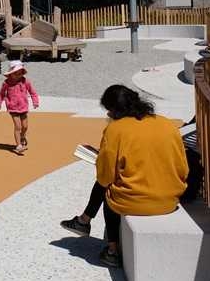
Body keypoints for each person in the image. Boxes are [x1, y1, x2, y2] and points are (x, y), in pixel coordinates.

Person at [60, 85, 189, 268]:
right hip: (170, 199)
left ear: (113, 110)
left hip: (135, 202)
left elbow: (105, 177)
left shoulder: (115, 130)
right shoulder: (166, 124)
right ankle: (83, 222)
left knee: (109, 190)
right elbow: (183, 167)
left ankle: (112, 250)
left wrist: (100, 159)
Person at [0, 60, 39, 153]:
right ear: (11, 74)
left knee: (25, 126)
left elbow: (33, 92)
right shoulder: (6, 83)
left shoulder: (25, 81)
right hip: (12, 108)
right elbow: (1, 94)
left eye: (20, 73)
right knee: (18, 126)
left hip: (23, 107)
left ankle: (22, 136)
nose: (18, 75)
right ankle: (18, 145)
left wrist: (35, 102)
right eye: (16, 73)